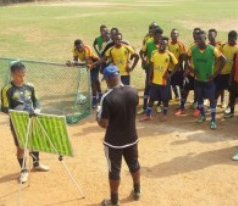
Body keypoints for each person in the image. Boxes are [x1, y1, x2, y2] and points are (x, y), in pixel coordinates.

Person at [96, 65, 141, 206]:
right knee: (134, 164)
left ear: (109, 80)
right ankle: (137, 191)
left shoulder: (107, 98)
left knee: (114, 170)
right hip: (132, 136)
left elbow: (104, 124)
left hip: (114, 141)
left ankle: (114, 201)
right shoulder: (133, 91)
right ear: (119, 77)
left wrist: (98, 114)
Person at [1, 61, 49, 184]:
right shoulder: (7, 89)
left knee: (35, 143)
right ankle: (24, 170)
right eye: (18, 76)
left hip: (32, 119)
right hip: (18, 122)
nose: (21, 78)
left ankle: (36, 164)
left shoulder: (30, 86)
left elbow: (36, 101)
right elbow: (5, 108)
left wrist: (37, 109)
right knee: (21, 147)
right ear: (12, 75)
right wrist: (20, 113)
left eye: (23, 75)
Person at [187, 30, 226, 129]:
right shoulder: (193, 49)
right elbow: (184, 58)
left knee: (212, 100)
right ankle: (203, 116)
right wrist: (191, 69)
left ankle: (213, 120)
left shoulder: (212, 49)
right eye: (197, 39)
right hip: (198, 80)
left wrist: (215, 74)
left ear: (205, 39)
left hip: (209, 81)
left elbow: (223, 60)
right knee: (199, 98)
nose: (199, 40)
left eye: (201, 38)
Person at [140, 37, 179, 122]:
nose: (162, 46)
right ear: (159, 44)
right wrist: (149, 78)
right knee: (152, 99)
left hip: (164, 82)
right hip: (155, 81)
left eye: (164, 44)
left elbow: (177, 64)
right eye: (161, 44)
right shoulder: (154, 53)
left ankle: (164, 115)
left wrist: (170, 75)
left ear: (166, 45)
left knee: (165, 100)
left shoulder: (169, 54)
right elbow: (151, 66)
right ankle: (148, 115)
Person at [67, 39, 101, 108]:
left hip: (95, 63)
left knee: (92, 81)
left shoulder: (87, 49)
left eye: (81, 46)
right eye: (78, 47)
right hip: (89, 65)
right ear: (75, 47)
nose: (79, 48)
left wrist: (74, 63)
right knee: (95, 79)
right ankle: (100, 94)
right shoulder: (74, 50)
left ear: (83, 45)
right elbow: (75, 61)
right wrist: (72, 63)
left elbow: (86, 63)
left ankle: (94, 98)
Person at [175, 28, 201, 116]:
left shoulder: (205, 47)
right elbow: (187, 58)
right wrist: (186, 69)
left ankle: (197, 107)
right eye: (194, 34)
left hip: (200, 75)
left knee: (198, 92)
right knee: (185, 91)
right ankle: (182, 107)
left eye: (197, 34)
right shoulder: (192, 46)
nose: (196, 36)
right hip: (190, 73)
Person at [138, 27, 163, 115]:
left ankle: (159, 105)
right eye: (157, 36)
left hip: (159, 70)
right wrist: (144, 61)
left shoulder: (162, 44)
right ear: (153, 36)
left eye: (160, 36)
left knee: (159, 87)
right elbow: (141, 52)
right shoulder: (148, 43)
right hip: (150, 68)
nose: (159, 38)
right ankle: (144, 106)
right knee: (148, 86)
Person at [215, 30, 238, 114]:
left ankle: (229, 106)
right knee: (218, 89)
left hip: (231, 74)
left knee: (231, 91)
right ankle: (214, 104)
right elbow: (218, 57)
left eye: (233, 39)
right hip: (222, 72)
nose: (231, 41)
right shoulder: (223, 45)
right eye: (230, 39)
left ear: (236, 39)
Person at [224, 39, 238, 118]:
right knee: (232, 96)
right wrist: (230, 78)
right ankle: (231, 111)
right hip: (235, 80)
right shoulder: (236, 54)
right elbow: (234, 66)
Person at [168, 28, 186, 102]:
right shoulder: (168, 44)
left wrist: (178, 65)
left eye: (176, 33)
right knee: (172, 83)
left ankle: (182, 98)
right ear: (170, 35)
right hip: (169, 67)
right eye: (173, 33)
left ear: (178, 35)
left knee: (180, 84)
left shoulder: (180, 44)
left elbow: (182, 57)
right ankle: (177, 96)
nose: (174, 35)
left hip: (178, 68)